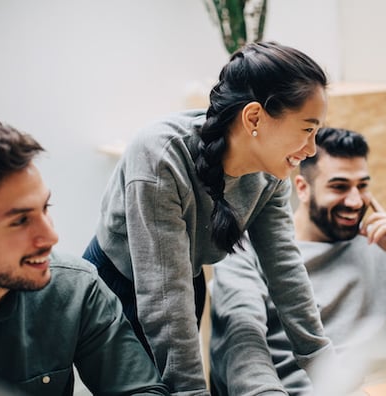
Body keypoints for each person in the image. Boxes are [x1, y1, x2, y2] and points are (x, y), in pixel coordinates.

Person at [82, 41, 333, 394]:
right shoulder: (160, 157)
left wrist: (332, 372)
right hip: (119, 287)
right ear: (254, 118)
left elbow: (285, 271)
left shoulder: (272, 173)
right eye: (307, 129)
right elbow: (164, 298)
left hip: (185, 279)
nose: (311, 149)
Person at [209, 127, 386, 395]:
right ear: (302, 188)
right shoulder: (247, 252)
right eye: (339, 186)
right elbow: (240, 358)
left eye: (362, 186)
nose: (354, 200)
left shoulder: (378, 247)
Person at [0, 117, 169, 396]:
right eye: (20, 221)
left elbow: (141, 391)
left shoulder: (75, 287)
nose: (51, 237)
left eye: (45, 208)